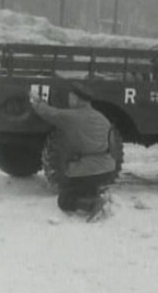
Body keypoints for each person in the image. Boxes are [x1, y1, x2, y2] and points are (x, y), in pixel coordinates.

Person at [29, 82, 116, 221]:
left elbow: (49, 113)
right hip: (107, 170)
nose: (69, 100)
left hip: (85, 170)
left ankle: (93, 205)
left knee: (64, 200)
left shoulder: (72, 117)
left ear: (76, 99)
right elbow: (112, 145)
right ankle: (95, 195)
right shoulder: (103, 119)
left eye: (70, 97)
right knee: (86, 186)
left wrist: (35, 101)